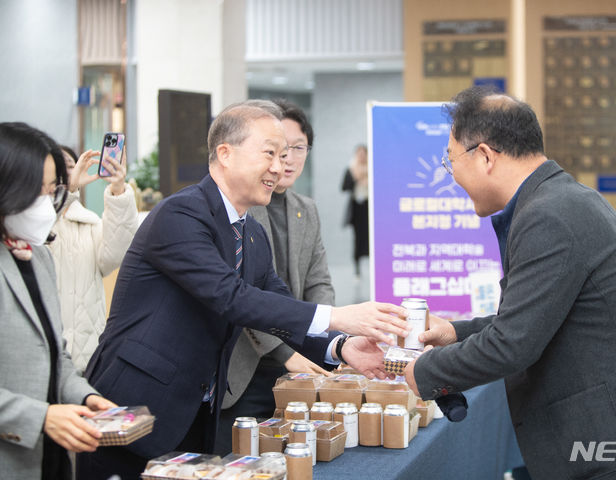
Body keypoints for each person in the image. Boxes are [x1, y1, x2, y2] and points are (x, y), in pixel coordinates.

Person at [76, 103, 409, 480]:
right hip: (134, 406)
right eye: (269, 153)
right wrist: (337, 315)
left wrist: (341, 345)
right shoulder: (181, 215)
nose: (280, 167)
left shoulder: (251, 233)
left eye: (285, 156)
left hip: (197, 412)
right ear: (225, 153)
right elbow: (230, 296)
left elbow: (279, 305)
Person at [403, 87, 616, 479]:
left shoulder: (549, 216)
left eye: (450, 161)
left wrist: (423, 371)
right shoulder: (556, 200)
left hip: (613, 443)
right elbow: (533, 316)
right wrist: (453, 332)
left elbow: (512, 344)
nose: (452, 175)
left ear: (484, 156)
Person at [216, 99, 334, 454]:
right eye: (277, 149)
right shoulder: (244, 202)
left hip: (299, 361)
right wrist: (284, 351)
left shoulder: (306, 208)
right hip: (246, 365)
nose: (287, 159)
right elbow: (243, 295)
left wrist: (326, 338)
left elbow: (319, 282)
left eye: (298, 148)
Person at [0, 122, 116, 480]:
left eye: (53, 190)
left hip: (48, 458)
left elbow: (55, 353)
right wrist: (40, 416)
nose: (48, 204)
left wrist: (83, 396)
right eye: (36, 190)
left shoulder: (37, 256)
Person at [48, 145, 138, 373]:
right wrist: (68, 192)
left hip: (86, 359)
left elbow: (115, 256)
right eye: (59, 167)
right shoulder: (32, 223)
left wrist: (118, 189)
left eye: (70, 165)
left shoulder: (88, 222)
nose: (68, 172)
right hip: (44, 358)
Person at [341, 144, 369, 276]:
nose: (362, 157)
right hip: (357, 208)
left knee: (369, 239)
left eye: (364, 154)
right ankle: (357, 270)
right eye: (360, 154)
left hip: (369, 207)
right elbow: (344, 187)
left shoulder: (371, 168)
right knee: (357, 239)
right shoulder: (351, 169)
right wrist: (356, 178)